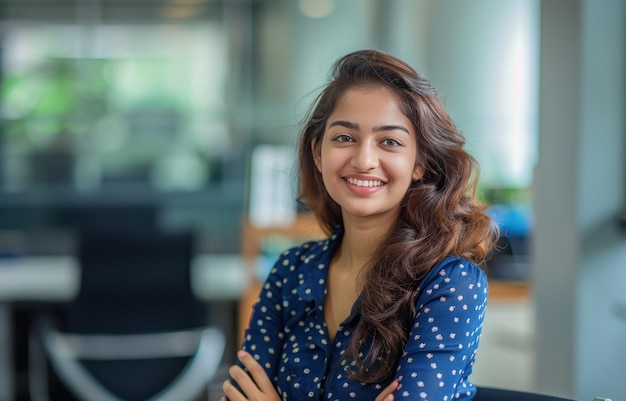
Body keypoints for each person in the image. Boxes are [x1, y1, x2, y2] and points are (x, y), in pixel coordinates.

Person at [222, 49, 498, 401]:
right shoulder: (290, 271)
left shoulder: (450, 283)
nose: (364, 160)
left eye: (390, 142)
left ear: (420, 163)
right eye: (345, 138)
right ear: (318, 153)